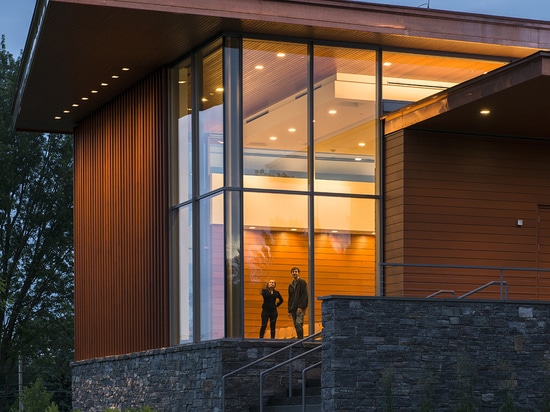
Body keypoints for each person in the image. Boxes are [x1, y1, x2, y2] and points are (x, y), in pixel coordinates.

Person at [287, 267, 308, 339]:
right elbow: (290, 298)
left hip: (300, 307)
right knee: (295, 324)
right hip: (293, 307)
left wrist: (301, 306)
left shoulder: (302, 282)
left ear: (298, 273)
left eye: (296, 271)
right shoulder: (290, 285)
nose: (294, 273)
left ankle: (300, 339)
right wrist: (289, 310)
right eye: (293, 272)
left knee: (299, 323)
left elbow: (304, 295)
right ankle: (299, 339)